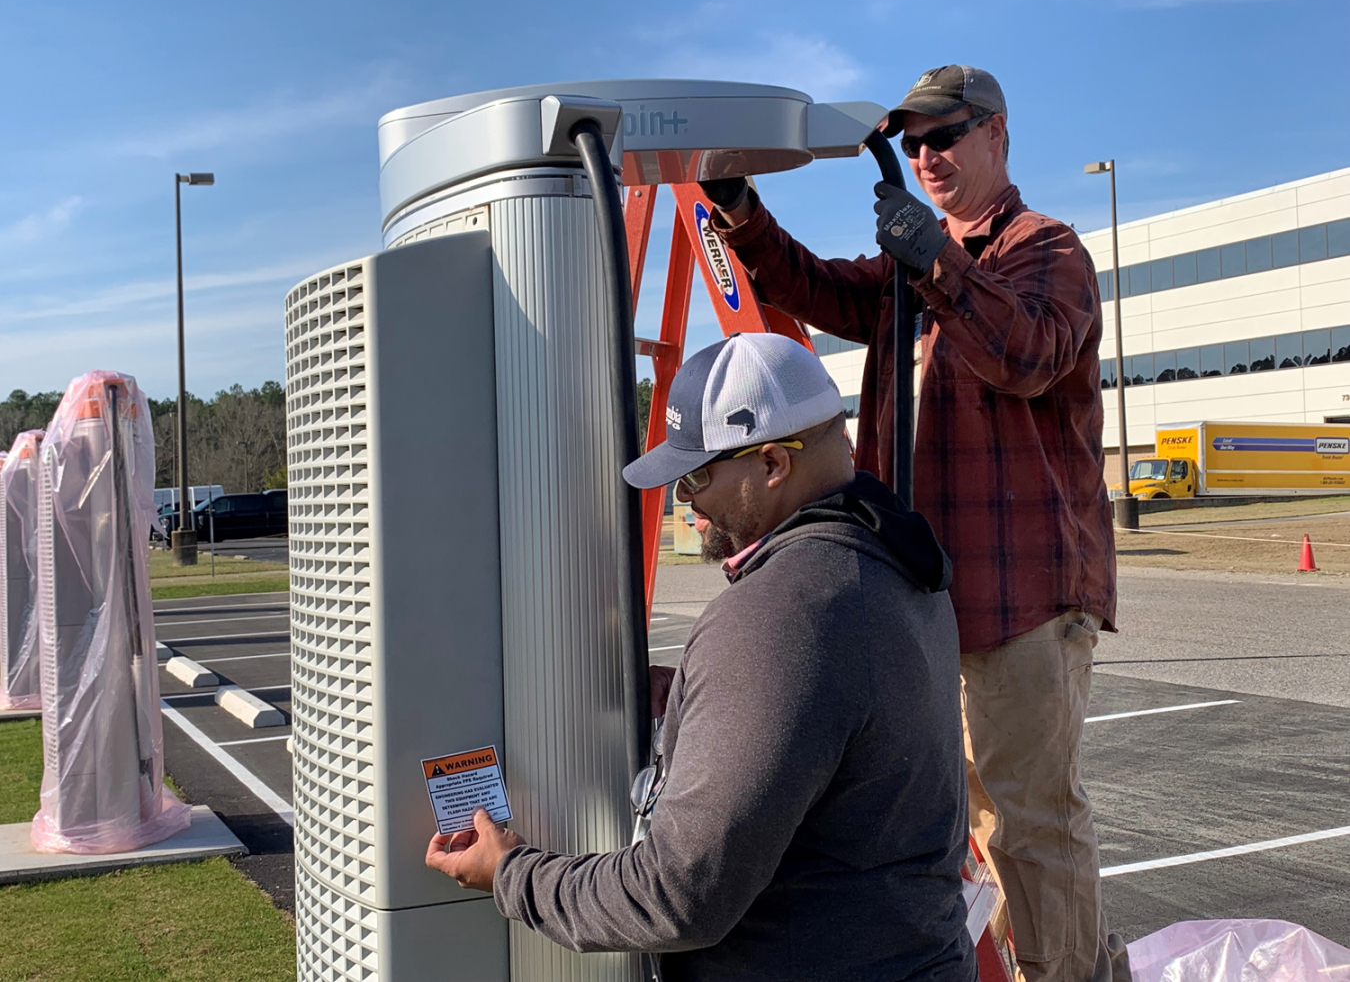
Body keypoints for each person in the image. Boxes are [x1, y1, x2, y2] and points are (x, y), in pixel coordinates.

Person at [698, 66, 1126, 982]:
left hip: (1024, 599)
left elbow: (1025, 353)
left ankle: (1073, 976)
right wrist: (738, 205)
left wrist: (936, 256)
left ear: (997, 136)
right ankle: (1023, 966)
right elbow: (807, 283)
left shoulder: (1046, 250)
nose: (926, 154)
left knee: (1028, 815)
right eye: (916, 141)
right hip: (933, 597)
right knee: (964, 818)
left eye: (946, 135)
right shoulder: (912, 273)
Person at [427, 332, 975, 982]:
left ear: (773, 463)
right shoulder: (897, 565)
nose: (686, 501)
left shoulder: (782, 612)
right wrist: (704, 695)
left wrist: (512, 871)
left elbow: (680, 894)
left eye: (696, 476)